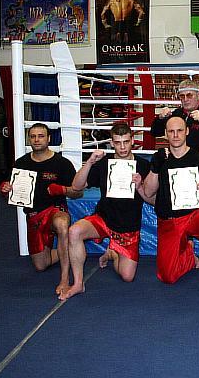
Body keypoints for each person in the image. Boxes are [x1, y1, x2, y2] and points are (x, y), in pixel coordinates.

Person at [60, 123, 150, 300]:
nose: (122, 147)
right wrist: (90, 162)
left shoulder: (143, 166)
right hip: (103, 219)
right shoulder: (103, 164)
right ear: (112, 143)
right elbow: (76, 186)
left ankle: (112, 252)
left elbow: (153, 201)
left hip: (128, 228)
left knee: (127, 276)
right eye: (117, 143)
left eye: (126, 142)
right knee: (74, 231)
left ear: (133, 140)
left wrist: (140, 186)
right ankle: (78, 283)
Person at [144, 116, 199, 302]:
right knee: (167, 277)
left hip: (193, 215)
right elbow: (149, 192)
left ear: (187, 131)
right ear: (166, 134)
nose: (175, 135)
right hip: (169, 220)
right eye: (171, 131)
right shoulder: (161, 157)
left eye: (180, 130)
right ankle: (188, 253)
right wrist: (155, 167)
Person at [0, 123, 82, 297]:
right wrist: (5, 190)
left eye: (41, 136)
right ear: (29, 139)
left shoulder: (62, 163)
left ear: (49, 139)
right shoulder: (21, 163)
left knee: (61, 223)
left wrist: (63, 190)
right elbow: (12, 197)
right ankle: (69, 247)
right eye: (33, 136)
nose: (37, 140)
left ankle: (65, 278)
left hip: (55, 211)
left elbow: (78, 193)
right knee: (40, 265)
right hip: (34, 216)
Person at [151, 79, 199, 163]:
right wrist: (160, 118)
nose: (185, 99)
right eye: (182, 96)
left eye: (189, 95)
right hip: (178, 161)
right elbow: (155, 132)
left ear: (198, 95)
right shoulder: (177, 114)